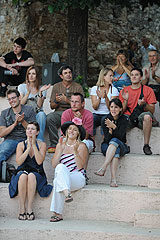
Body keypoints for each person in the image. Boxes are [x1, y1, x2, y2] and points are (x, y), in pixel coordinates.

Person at [9, 121, 53, 220]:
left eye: (32, 129)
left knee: (31, 176)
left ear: (37, 132)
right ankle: (21, 208)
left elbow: (39, 161)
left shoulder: (42, 144)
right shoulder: (20, 145)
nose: (29, 130)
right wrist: (28, 148)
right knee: (23, 176)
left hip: (37, 172)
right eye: (28, 128)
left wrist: (33, 145)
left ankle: (29, 208)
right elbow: (19, 162)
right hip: (22, 171)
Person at [49, 120, 87, 222]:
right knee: (60, 168)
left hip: (77, 177)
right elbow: (54, 165)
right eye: (70, 129)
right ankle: (67, 194)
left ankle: (56, 213)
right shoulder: (60, 145)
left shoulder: (82, 146)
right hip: (64, 178)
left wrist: (75, 151)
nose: (72, 131)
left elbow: (80, 167)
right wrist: (60, 150)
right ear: (66, 131)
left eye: (75, 130)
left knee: (58, 181)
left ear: (78, 133)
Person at [47, 64, 84, 153]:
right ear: (61, 76)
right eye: (65, 73)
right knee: (49, 118)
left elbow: (82, 105)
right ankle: (54, 144)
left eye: (70, 72)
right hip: (59, 112)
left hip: (73, 113)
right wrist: (56, 101)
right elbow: (52, 106)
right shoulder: (56, 86)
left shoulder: (78, 87)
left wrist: (67, 100)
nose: (68, 75)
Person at [119, 67, 157, 155]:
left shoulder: (148, 90)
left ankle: (146, 145)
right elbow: (121, 111)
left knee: (147, 117)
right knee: (121, 118)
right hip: (129, 117)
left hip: (141, 117)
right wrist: (125, 100)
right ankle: (124, 145)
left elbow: (152, 110)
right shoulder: (124, 91)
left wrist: (144, 104)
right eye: (132, 75)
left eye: (136, 75)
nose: (134, 77)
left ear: (141, 77)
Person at [0, 89, 36, 179]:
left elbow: (33, 130)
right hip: (10, 140)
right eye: (9, 99)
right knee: (1, 153)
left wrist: (22, 121)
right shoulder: (4, 113)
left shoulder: (29, 110)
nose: (11, 101)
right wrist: (15, 124)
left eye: (13, 98)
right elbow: (1, 133)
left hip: (26, 139)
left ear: (19, 98)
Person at [94, 98, 129, 187]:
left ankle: (103, 167)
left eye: (116, 107)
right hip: (107, 145)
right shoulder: (105, 119)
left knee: (115, 141)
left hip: (121, 145)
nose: (113, 109)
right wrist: (109, 132)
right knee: (115, 151)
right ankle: (113, 180)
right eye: (112, 107)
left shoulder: (124, 119)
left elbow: (122, 137)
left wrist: (114, 127)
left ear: (121, 109)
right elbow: (106, 140)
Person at [61, 92, 94, 169]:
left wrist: (79, 122)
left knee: (83, 144)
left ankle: (83, 173)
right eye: (72, 101)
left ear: (83, 103)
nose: (74, 104)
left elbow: (85, 137)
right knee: (62, 142)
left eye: (76, 102)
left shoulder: (89, 115)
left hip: (86, 140)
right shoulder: (66, 114)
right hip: (69, 139)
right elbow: (64, 134)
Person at [18, 66, 51, 142]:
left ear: (37, 76)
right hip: (26, 114)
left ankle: (39, 140)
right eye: (29, 74)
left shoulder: (42, 88)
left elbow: (39, 106)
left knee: (42, 114)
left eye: (33, 74)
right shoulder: (22, 87)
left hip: (37, 114)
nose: (31, 76)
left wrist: (40, 92)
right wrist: (28, 92)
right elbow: (21, 104)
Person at [90, 68, 119, 138]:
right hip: (97, 114)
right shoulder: (95, 89)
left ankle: (105, 141)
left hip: (108, 114)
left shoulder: (114, 90)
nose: (112, 78)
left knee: (104, 120)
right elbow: (95, 107)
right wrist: (99, 98)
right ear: (103, 76)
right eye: (110, 76)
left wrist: (106, 97)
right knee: (91, 119)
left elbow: (111, 108)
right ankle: (91, 142)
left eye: (113, 76)